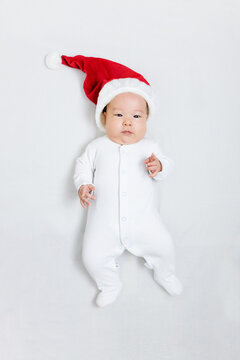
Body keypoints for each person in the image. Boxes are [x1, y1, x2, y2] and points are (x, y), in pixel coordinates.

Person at [45, 52, 183, 307]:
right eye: (119, 115)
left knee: (164, 245)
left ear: (146, 119)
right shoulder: (97, 147)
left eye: (137, 116)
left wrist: (159, 165)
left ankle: (165, 272)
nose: (128, 122)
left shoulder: (149, 146)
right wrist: (83, 184)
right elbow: (82, 166)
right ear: (104, 117)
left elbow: (168, 166)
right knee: (91, 257)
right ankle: (109, 282)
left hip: (145, 221)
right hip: (103, 224)